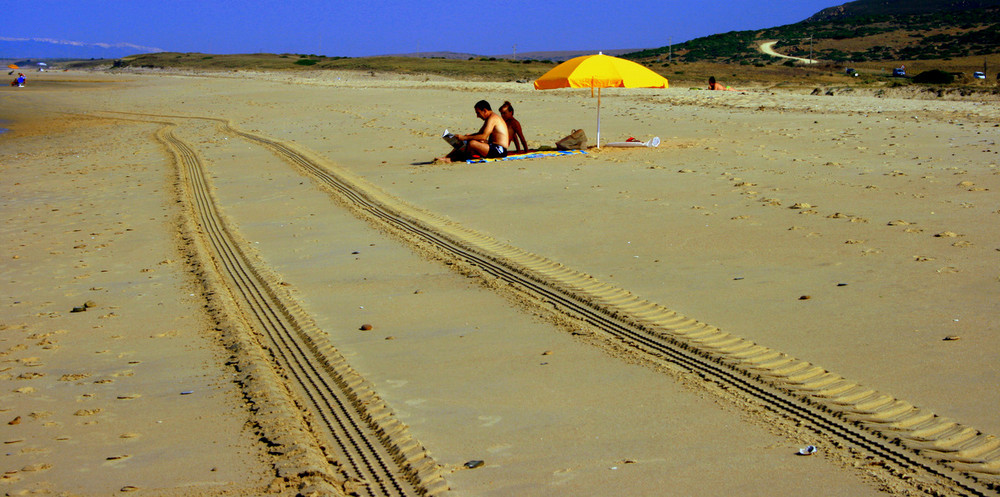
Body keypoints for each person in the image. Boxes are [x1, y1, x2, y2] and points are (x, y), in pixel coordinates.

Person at [436, 100, 509, 163]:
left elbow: (483, 136)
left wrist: (465, 138)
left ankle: (453, 158)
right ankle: (448, 157)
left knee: (472, 143)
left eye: (478, 113)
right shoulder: (490, 118)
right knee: (468, 138)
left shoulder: (493, 118)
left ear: (485, 111)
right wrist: (465, 136)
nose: (477, 116)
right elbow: (480, 134)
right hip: (493, 146)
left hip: (500, 150)